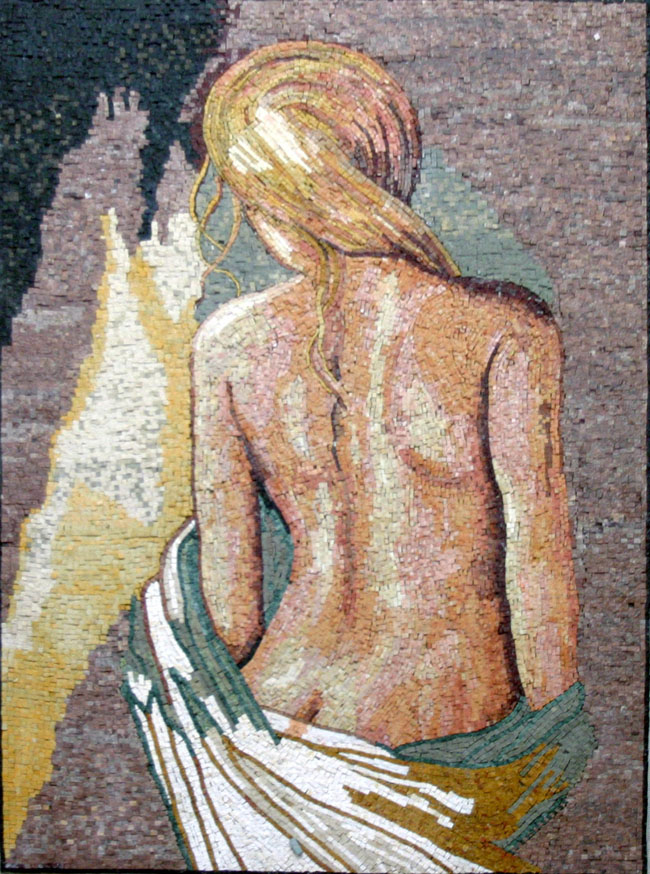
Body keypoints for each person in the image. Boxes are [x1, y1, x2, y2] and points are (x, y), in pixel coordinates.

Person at [124, 40, 592, 871]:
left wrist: (165, 644)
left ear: (267, 192)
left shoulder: (227, 347)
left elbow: (233, 617)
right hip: (439, 740)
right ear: (380, 167)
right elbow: (539, 581)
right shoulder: (506, 333)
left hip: (273, 739)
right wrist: (555, 743)